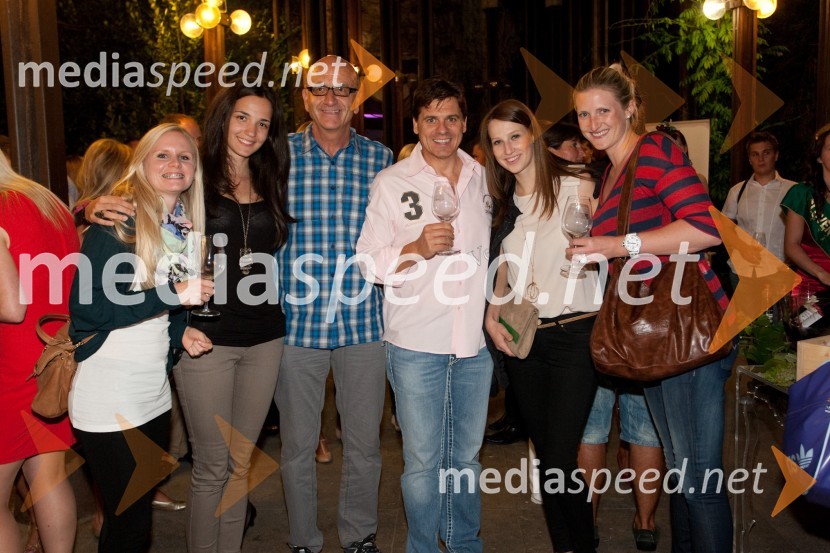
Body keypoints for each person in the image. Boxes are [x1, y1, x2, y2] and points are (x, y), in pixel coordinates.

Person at [570, 65, 736, 553]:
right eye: (584, 114)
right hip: (655, 335)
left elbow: (707, 228)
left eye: (604, 110)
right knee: (683, 474)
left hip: (686, 328)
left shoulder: (655, 150)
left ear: (629, 109)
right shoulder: (612, 171)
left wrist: (617, 243)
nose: (594, 123)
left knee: (699, 481)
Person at [357, 77, 492, 553]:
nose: (442, 128)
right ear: (415, 124)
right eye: (431, 118)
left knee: (467, 460)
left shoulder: (484, 178)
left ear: (465, 123)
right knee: (422, 463)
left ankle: (464, 544)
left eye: (451, 117)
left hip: (474, 344)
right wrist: (415, 248)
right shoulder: (392, 182)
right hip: (415, 344)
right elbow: (368, 261)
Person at [68, 123, 214, 553]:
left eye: (184, 156)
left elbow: (155, 309)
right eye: (162, 155)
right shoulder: (117, 224)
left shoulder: (181, 227)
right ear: (141, 164)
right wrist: (175, 294)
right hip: (109, 393)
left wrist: (180, 331)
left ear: (195, 169)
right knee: (128, 525)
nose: (175, 163)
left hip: (153, 393)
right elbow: (88, 310)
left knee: (133, 521)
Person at [275, 54, 393, 553]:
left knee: (364, 443)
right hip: (294, 323)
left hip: (364, 321)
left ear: (356, 98)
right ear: (305, 97)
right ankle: (303, 539)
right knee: (298, 446)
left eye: (343, 89)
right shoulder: (276, 156)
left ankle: (359, 534)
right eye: (320, 89)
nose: (331, 99)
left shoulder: (382, 160)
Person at [172, 82, 293, 553]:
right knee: (211, 467)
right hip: (207, 337)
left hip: (265, 337)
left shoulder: (270, 176)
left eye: (263, 123)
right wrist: (94, 206)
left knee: (241, 465)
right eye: (243, 117)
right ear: (224, 118)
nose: (251, 130)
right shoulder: (191, 176)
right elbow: (141, 209)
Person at [480, 99, 598, 553]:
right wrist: (492, 314)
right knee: (547, 460)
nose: (508, 148)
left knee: (560, 457)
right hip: (526, 341)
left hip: (575, 335)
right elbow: (502, 272)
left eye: (514, 136)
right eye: (497, 142)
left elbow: (611, 240)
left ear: (532, 135)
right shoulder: (503, 206)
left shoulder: (577, 184)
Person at [1, 153, 79, 553]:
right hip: (53, 358)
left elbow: (11, 307)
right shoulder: (45, 200)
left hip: (9, 366)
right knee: (48, 478)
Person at [723, 131, 795, 291]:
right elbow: (725, 229)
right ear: (749, 159)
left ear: (776, 155)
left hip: (778, 272)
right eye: (755, 154)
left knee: (778, 310)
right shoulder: (737, 191)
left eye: (766, 153)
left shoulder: (793, 190)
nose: (760, 159)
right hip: (741, 272)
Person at [781, 123, 830, 334]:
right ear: (819, 156)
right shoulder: (802, 194)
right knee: (802, 336)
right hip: (811, 285)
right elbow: (791, 246)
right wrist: (822, 274)